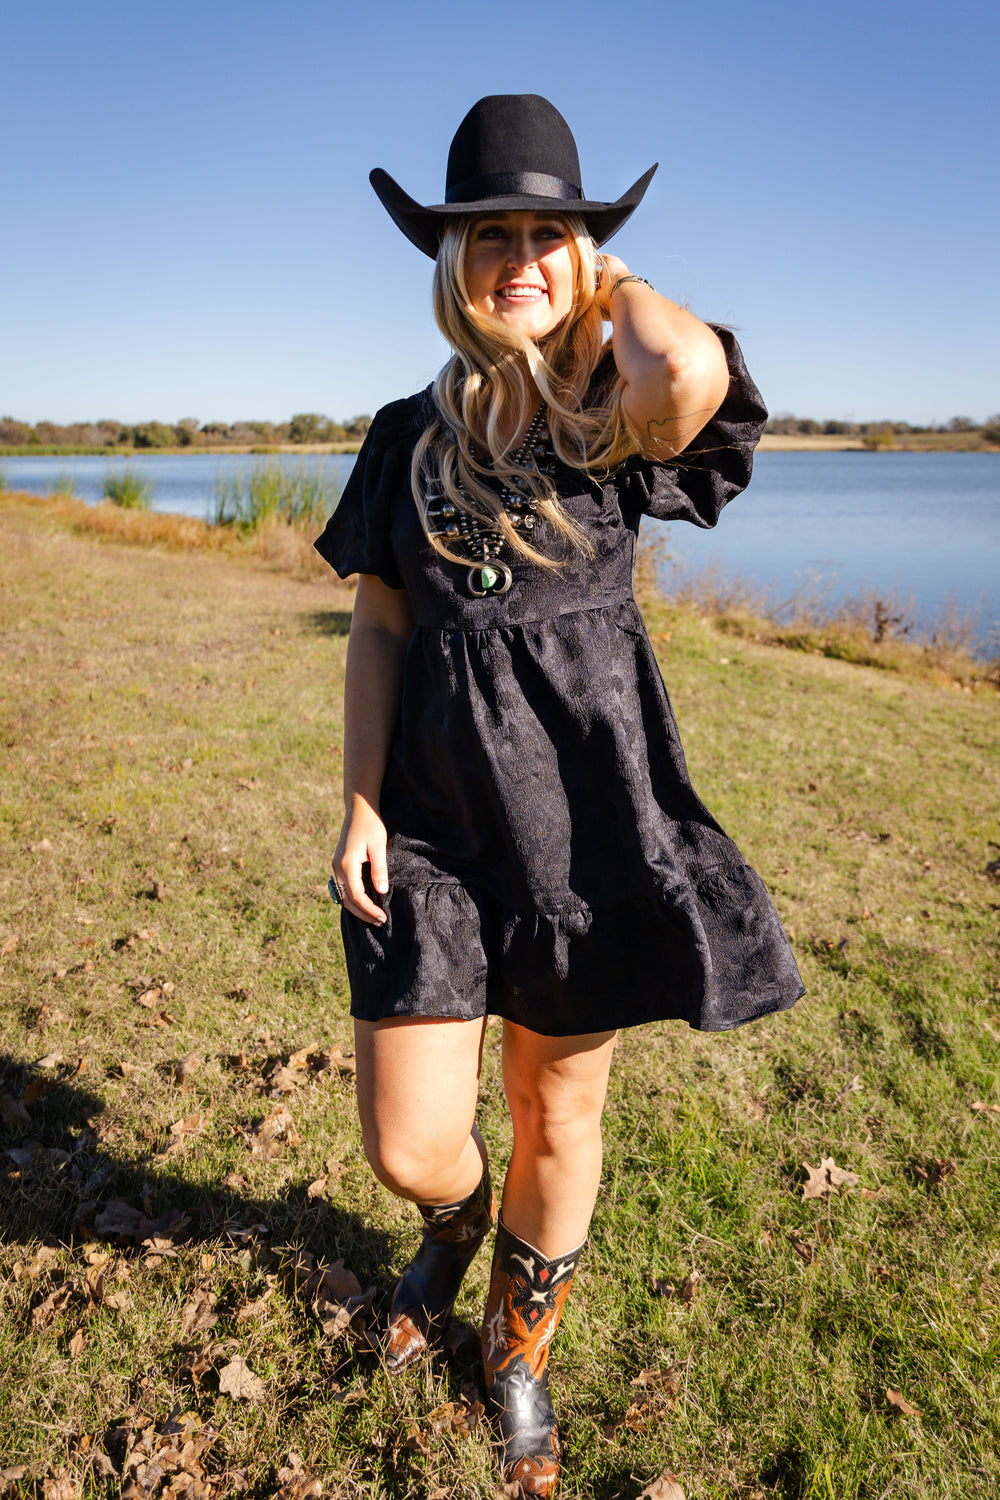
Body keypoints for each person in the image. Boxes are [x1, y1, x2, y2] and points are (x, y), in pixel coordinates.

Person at [316, 94, 803, 1497]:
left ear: (584, 255)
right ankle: (456, 1227)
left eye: (552, 233)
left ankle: (519, 1351)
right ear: (450, 258)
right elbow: (379, 628)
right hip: (429, 821)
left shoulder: (611, 420)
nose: (521, 256)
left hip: (583, 820)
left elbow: (691, 375)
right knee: (414, 1142)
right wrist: (357, 801)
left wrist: (619, 281)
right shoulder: (404, 435)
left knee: (557, 1106)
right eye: (492, 234)